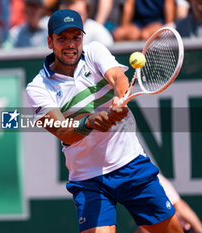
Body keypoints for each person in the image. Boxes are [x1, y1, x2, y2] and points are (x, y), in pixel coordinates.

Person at [26, 9, 184, 233]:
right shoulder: (37, 88)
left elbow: (118, 77)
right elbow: (62, 131)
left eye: (76, 37)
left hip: (130, 164)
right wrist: (88, 122)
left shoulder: (94, 52)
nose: (70, 44)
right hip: (88, 179)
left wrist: (120, 98)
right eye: (62, 38)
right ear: (50, 42)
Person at [135, 174, 202, 233]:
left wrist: (201, 231)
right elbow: (144, 227)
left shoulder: (154, 180)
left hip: (180, 229)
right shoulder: (133, 187)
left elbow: (180, 206)